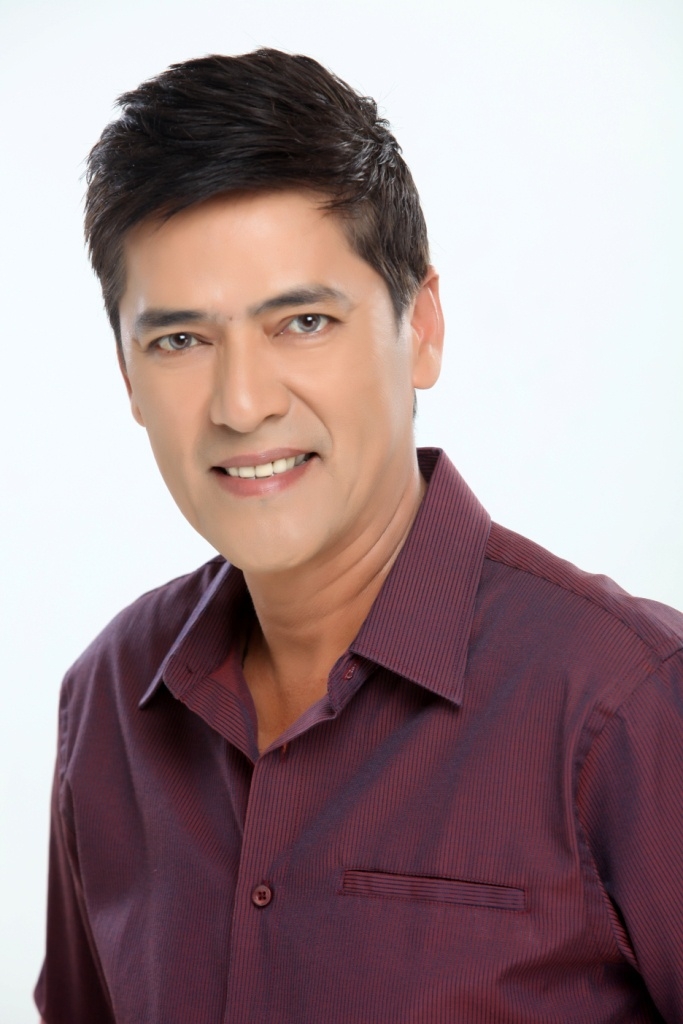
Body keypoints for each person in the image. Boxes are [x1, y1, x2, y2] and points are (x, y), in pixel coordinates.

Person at [35, 49, 683, 1024]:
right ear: (128, 376)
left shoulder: (626, 702)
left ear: (419, 325)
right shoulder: (109, 703)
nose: (241, 403)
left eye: (301, 321)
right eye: (179, 340)